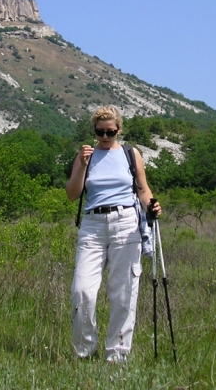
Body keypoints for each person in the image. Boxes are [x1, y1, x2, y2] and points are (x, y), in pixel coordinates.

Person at [66, 105, 162, 362]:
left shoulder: (131, 154)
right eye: (99, 132)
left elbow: (142, 189)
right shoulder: (85, 155)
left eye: (110, 132)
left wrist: (152, 205)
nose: (105, 137)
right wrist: (83, 164)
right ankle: (85, 351)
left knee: (123, 292)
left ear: (119, 130)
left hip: (126, 223)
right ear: (94, 130)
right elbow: (72, 193)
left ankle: (117, 355)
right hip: (92, 224)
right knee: (82, 290)